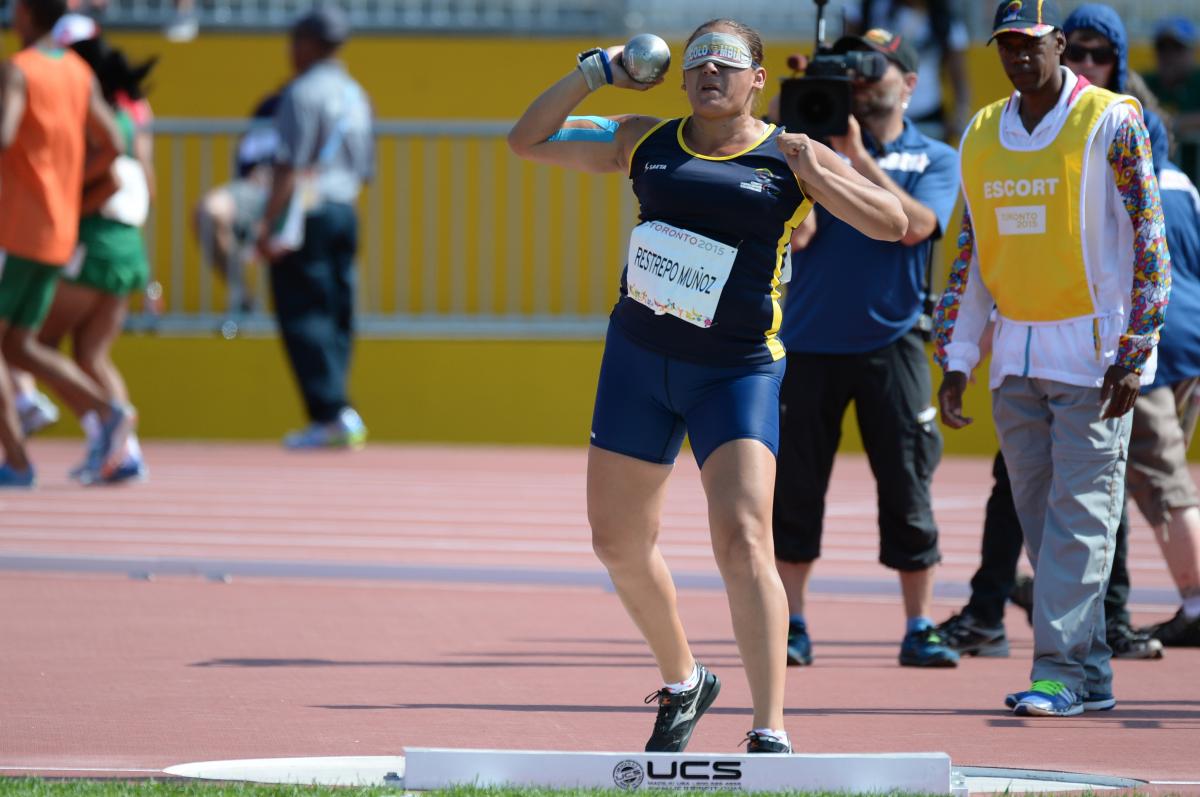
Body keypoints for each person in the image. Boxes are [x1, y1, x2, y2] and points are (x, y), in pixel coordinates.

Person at [508, 18, 906, 753]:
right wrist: (594, 72)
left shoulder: (789, 152)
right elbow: (526, 139)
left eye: (727, 63)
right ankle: (686, 680)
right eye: (698, 64)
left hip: (735, 371)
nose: (710, 73)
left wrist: (818, 173)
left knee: (745, 538)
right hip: (638, 360)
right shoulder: (644, 139)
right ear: (683, 78)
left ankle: (770, 729)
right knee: (618, 543)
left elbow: (894, 225)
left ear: (758, 79)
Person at [934, 0, 1169, 716]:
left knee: (1082, 520)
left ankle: (1060, 670)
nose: (1018, 55)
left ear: (1059, 43)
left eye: (1031, 42)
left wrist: (1135, 349)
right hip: (1015, 359)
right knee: (1044, 524)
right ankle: (1090, 669)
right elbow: (970, 254)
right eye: (1005, 44)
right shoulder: (980, 133)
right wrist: (958, 354)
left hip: (1096, 359)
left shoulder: (1110, 119)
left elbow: (1149, 239)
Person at [772, 28, 960, 669]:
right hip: (806, 345)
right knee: (795, 489)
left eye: (874, 69)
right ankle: (792, 623)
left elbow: (919, 228)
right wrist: (802, 145)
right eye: (850, 70)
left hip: (895, 342)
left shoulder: (934, 156)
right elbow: (798, 238)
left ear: (908, 82)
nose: (861, 79)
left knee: (908, 486)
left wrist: (858, 157)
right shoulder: (809, 148)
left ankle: (919, 625)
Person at [0, 0, 134, 487]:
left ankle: (15, 459)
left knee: (10, 345)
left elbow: (5, 132)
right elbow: (115, 144)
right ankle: (109, 410)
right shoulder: (76, 71)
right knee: (16, 346)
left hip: (15, 227)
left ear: (26, 16)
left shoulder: (19, 70)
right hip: (58, 226)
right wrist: (71, 183)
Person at [24, 34, 156, 484]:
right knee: (91, 356)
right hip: (126, 246)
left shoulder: (88, 113)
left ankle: (106, 422)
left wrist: (68, 206)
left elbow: (111, 178)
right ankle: (123, 451)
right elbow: (144, 185)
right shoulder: (126, 115)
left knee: (30, 346)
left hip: (93, 243)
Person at [254, 5, 373, 451]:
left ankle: (329, 413)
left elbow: (289, 162)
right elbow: (365, 164)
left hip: (309, 211)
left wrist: (267, 225)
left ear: (307, 44)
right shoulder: (356, 93)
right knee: (338, 312)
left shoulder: (301, 93)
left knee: (302, 312)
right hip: (345, 207)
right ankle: (339, 408)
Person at [194, 89, 282, 315]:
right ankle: (244, 297)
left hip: (305, 198)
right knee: (208, 212)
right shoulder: (272, 105)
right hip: (256, 193)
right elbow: (246, 158)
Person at [848, 0, 971, 141]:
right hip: (875, 117)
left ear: (910, 82)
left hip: (928, 119)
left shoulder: (946, 20)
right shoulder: (872, 8)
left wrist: (960, 114)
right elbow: (850, 52)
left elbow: (958, 74)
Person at [1144, 17, 1200, 183]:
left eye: (1177, 48)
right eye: (1163, 48)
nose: (1169, 56)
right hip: (1158, 183)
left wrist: (1173, 124)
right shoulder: (1146, 83)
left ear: (1191, 51)